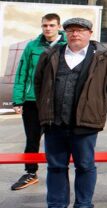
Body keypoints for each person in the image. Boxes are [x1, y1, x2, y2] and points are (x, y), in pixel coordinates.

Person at [34, 17, 107, 208]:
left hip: (85, 124)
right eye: (71, 30)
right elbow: (39, 83)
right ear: (65, 33)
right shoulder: (51, 54)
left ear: (90, 33)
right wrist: (45, 107)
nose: (75, 34)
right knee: (56, 167)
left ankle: (83, 207)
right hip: (55, 123)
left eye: (80, 31)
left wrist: (99, 108)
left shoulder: (105, 56)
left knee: (85, 165)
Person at [11, 13, 67, 191]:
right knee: (32, 139)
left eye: (51, 25)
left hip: (57, 101)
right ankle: (30, 172)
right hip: (32, 100)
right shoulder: (32, 46)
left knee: (58, 139)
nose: (48, 29)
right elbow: (22, 73)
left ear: (59, 26)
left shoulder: (67, 45)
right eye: (45, 25)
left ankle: (57, 170)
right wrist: (18, 100)